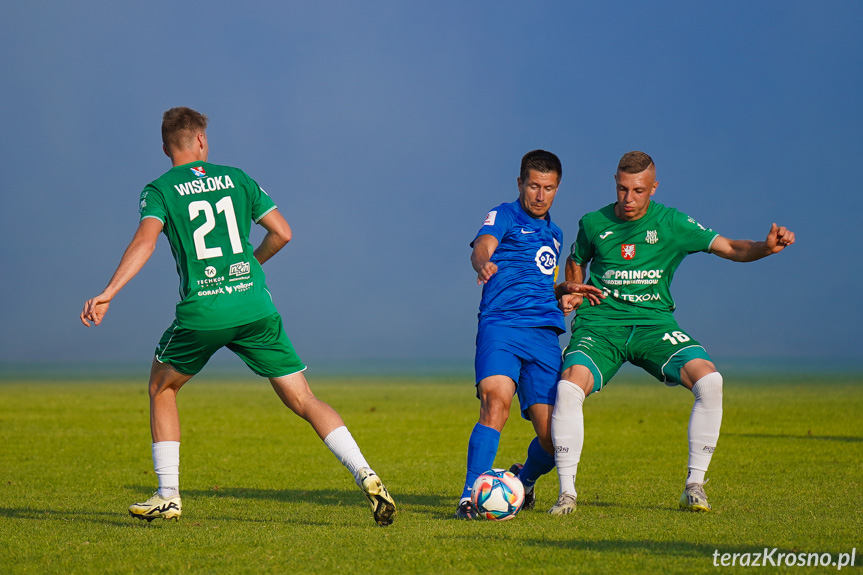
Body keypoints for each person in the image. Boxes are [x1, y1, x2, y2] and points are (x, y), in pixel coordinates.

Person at [80, 107, 396, 526]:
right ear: (201, 142)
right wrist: (252, 263)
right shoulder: (238, 178)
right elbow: (282, 232)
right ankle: (367, 475)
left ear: (165, 148)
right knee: (304, 398)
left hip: (205, 310)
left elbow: (145, 242)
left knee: (162, 387)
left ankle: (169, 493)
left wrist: (108, 293)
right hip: (254, 306)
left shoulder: (159, 189)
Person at [548, 150, 795, 515]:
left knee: (710, 382)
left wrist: (766, 248)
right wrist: (573, 289)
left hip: (654, 325)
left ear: (654, 188)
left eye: (638, 191)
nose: (628, 199)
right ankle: (567, 495)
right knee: (568, 388)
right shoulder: (592, 223)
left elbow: (729, 247)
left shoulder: (672, 224)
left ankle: (695, 486)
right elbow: (576, 260)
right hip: (601, 326)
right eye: (622, 189)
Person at [455, 150, 602, 519]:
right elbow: (483, 244)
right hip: (501, 325)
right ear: (520, 184)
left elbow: (539, 285)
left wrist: (564, 290)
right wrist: (483, 262)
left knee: (555, 439)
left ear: (557, 189)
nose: (540, 195)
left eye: (548, 188)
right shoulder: (503, 214)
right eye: (534, 186)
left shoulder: (554, 234)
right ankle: (470, 496)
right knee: (496, 403)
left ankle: (522, 480)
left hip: (543, 336)